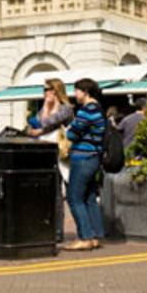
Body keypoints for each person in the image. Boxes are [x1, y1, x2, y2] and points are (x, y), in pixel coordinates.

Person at [26, 78, 74, 242]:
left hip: (60, 155)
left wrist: (46, 109)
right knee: (44, 193)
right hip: (43, 152)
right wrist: (36, 128)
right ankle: (44, 228)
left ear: (57, 91)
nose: (47, 93)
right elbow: (32, 125)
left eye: (50, 90)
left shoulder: (66, 109)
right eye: (45, 90)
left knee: (58, 195)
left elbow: (47, 122)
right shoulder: (44, 109)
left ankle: (58, 231)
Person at [63, 78, 106, 251]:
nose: (75, 94)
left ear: (85, 92)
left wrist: (69, 129)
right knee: (89, 197)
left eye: (76, 91)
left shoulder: (86, 110)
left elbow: (72, 135)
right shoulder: (99, 109)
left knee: (74, 198)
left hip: (83, 157)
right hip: (95, 157)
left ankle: (84, 237)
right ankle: (95, 235)